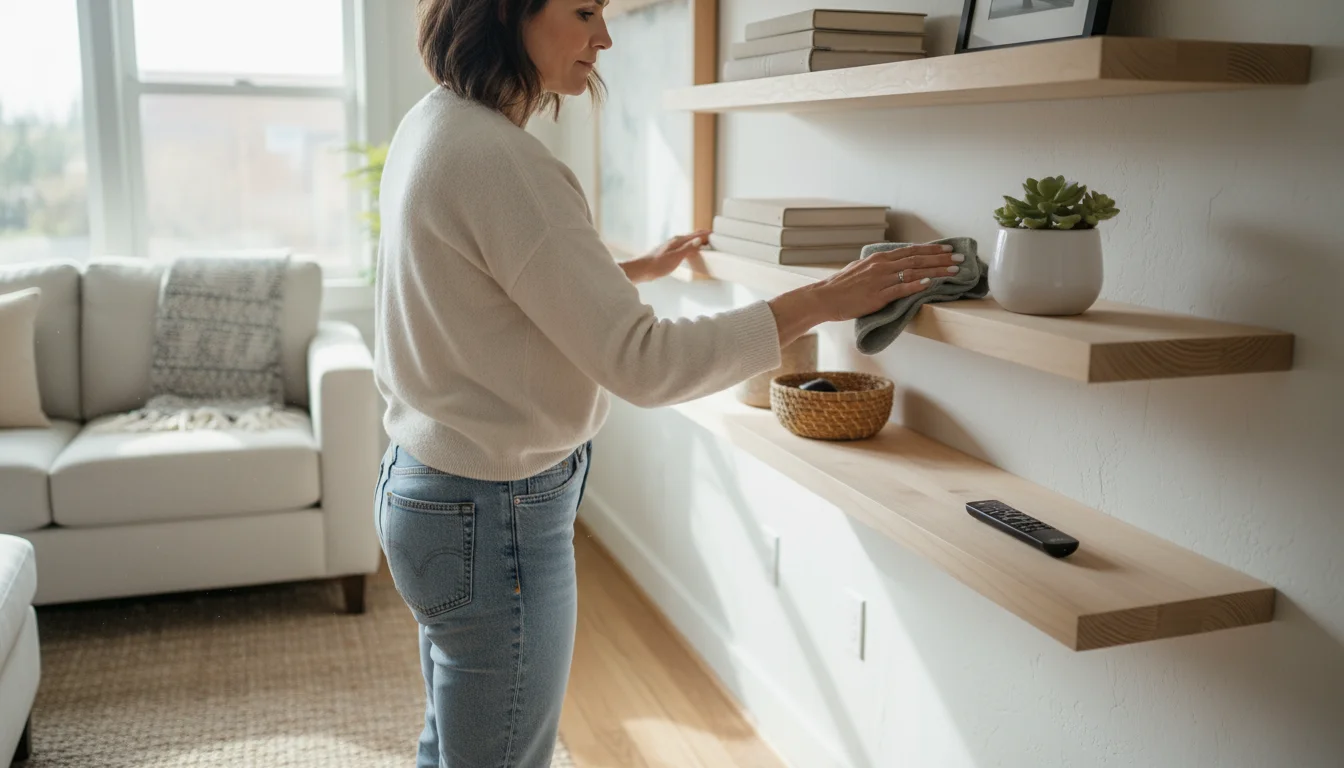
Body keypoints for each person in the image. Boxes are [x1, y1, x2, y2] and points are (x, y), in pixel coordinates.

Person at [371, 1, 964, 765]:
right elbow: (644, 364)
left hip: (424, 488)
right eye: (583, 9)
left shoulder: (432, 124)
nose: (605, 36)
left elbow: (471, 292)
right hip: (492, 517)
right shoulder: (505, 162)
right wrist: (822, 298)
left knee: (451, 745)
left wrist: (620, 273)